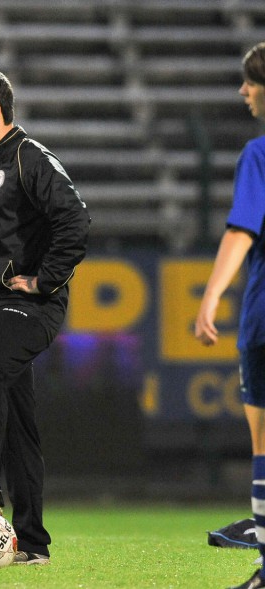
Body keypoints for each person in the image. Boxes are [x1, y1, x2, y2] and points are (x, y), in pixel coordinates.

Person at [0, 67, 90, 565]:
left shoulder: (29, 158)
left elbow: (74, 220)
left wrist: (45, 278)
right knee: (19, 425)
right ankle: (32, 543)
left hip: (30, 306)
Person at [195, 41, 265, 589]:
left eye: (250, 81)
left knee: (264, 443)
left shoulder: (259, 154)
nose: (243, 91)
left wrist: (211, 295)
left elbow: (243, 228)